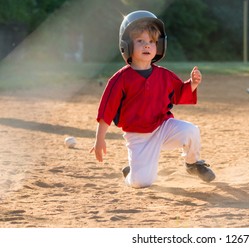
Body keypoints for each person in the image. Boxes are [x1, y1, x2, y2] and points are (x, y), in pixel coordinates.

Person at [90, 10, 215, 188]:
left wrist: (192, 84)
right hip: (138, 137)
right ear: (127, 45)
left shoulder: (164, 75)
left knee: (191, 131)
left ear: (159, 46)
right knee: (141, 182)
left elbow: (179, 93)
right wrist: (99, 139)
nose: (147, 45)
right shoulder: (120, 79)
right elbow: (106, 111)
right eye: (140, 41)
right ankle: (131, 173)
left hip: (163, 128)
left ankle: (193, 163)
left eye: (151, 41)